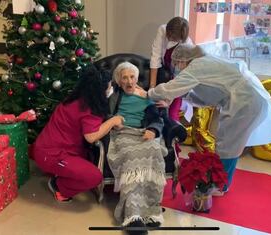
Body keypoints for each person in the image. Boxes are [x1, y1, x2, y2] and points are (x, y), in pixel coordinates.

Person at [147, 44, 271, 195]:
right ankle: (221, 183)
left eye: (176, 64)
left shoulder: (196, 66)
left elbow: (172, 87)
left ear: (183, 60)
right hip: (246, 99)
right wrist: (180, 95)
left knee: (228, 146)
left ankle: (220, 185)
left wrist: (149, 93)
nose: (176, 68)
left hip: (244, 102)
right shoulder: (205, 63)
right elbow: (207, 97)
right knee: (229, 144)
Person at [32, 66, 124, 203]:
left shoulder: (77, 97)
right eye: (108, 86)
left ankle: (61, 173)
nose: (110, 88)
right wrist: (113, 121)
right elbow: (91, 136)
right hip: (52, 154)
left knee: (85, 163)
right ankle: (58, 186)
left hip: (53, 148)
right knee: (94, 177)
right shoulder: (89, 107)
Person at [108, 62, 167, 235]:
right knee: (130, 155)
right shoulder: (113, 96)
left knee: (155, 151)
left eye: (132, 77)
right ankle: (133, 216)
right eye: (124, 77)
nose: (129, 81)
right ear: (119, 81)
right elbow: (104, 113)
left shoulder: (146, 96)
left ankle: (150, 212)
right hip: (123, 134)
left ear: (136, 79)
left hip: (143, 132)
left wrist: (153, 130)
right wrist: (113, 121)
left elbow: (158, 117)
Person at [149, 16, 193, 122]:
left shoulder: (187, 45)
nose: (168, 37)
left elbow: (179, 77)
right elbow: (155, 58)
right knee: (156, 106)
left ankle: (174, 131)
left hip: (180, 76)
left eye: (172, 38)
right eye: (168, 34)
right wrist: (152, 87)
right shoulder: (162, 30)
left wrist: (168, 100)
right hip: (164, 70)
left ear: (180, 39)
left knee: (173, 111)